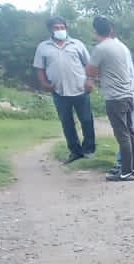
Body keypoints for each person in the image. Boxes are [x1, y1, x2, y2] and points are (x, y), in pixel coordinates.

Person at [86, 16, 134, 182]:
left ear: (95, 31)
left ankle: (125, 171)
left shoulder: (101, 48)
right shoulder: (121, 46)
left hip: (115, 97)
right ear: (111, 29)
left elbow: (91, 72)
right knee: (130, 132)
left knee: (122, 134)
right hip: (128, 94)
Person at [33, 16, 96, 163]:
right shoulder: (43, 47)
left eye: (62, 27)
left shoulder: (77, 44)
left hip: (80, 88)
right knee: (67, 123)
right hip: (59, 91)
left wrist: (90, 80)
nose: (60, 30)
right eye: (56, 28)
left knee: (86, 120)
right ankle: (75, 151)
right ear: (50, 30)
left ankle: (89, 149)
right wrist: (44, 84)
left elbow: (89, 65)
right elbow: (39, 69)